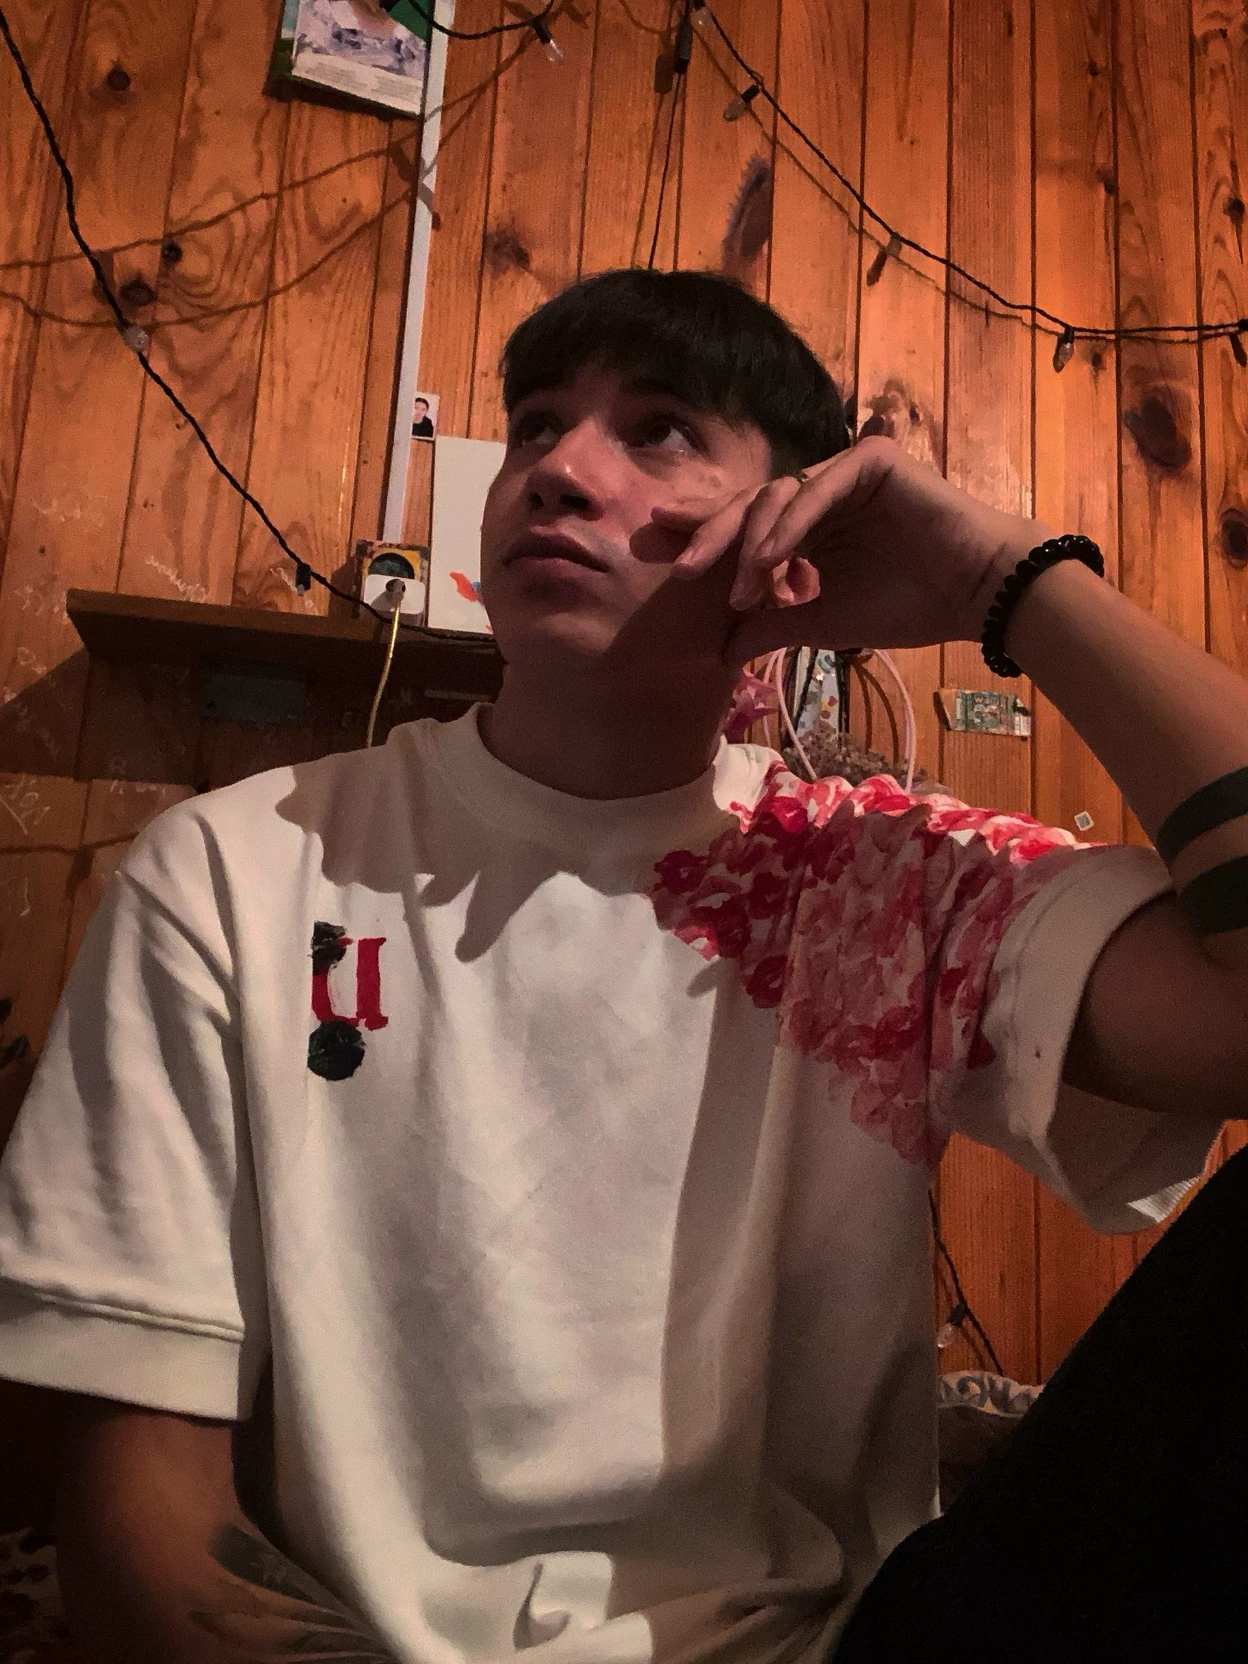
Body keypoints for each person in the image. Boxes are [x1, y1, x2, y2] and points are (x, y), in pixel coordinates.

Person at [0, 266, 1244, 1663]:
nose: (558, 470)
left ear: (795, 545)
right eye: (537, 423)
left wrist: (1005, 581)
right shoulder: (233, 871)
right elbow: (140, 1498)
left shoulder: (885, 879)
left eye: (659, 430)